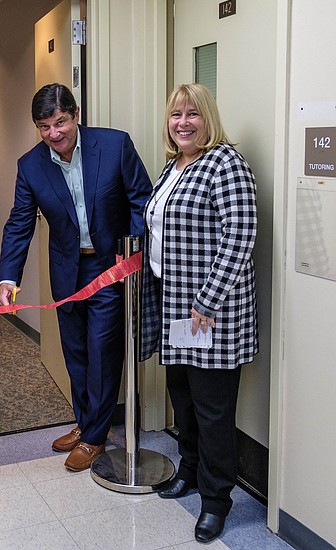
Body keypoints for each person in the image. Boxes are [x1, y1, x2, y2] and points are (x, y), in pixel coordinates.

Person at [0, 83, 152, 471]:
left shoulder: (115, 146)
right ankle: (86, 425)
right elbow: (19, 224)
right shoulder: (30, 165)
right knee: (76, 354)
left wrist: (128, 252)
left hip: (109, 267)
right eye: (44, 126)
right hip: (68, 271)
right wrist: (7, 278)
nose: (54, 134)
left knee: (102, 352)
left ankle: (96, 438)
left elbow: (142, 201)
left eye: (60, 122)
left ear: (76, 114)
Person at [142, 83, 258, 543]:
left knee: (213, 411)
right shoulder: (172, 167)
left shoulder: (225, 163)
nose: (183, 122)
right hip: (177, 312)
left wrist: (207, 299)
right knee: (183, 400)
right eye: (175, 115)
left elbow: (240, 236)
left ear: (208, 118)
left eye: (192, 114)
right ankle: (188, 471)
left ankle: (216, 501)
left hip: (211, 315)